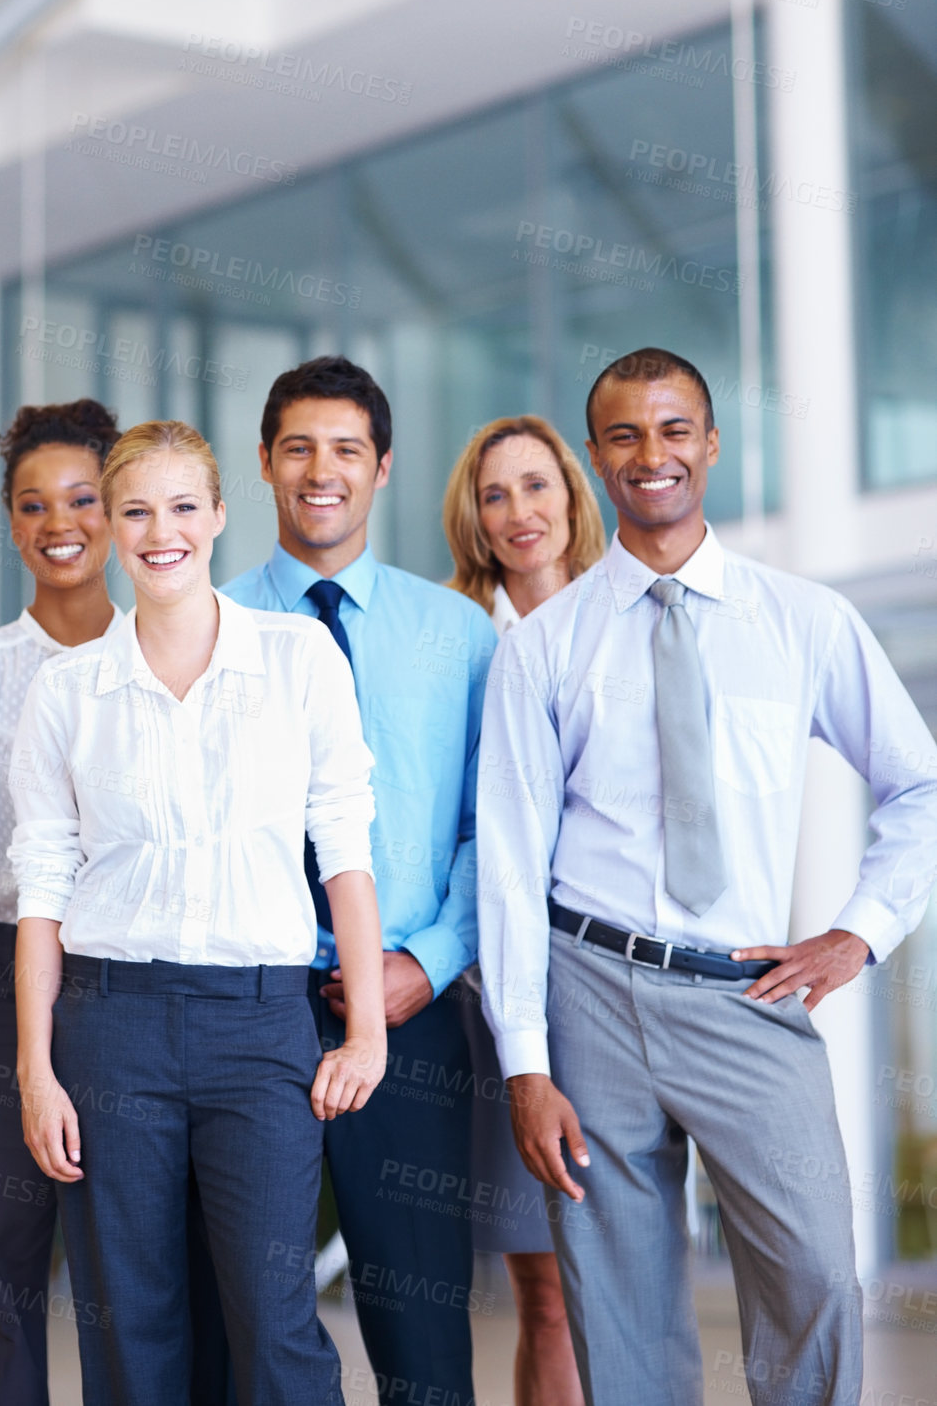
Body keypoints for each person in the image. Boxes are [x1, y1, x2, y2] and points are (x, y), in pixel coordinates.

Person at [477, 347, 937, 1406]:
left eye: (675, 428)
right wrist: (525, 1062)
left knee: (817, 1273)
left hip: (746, 990)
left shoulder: (805, 621)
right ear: (595, 457)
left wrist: (857, 930)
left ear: (712, 444)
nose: (653, 454)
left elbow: (917, 785)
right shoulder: (545, 647)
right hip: (587, 984)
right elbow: (507, 864)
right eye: (626, 434)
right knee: (619, 1307)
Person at [9, 419, 387, 1406]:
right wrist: (36, 1069)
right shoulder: (68, 691)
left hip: (257, 1028)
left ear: (220, 515)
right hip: (108, 1026)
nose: (160, 531)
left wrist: (368, 1034)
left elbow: (345, 850)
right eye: (134, 510)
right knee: (129, 1324)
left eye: (183, 506)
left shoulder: (298, 658)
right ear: (109, 528)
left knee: (275, 1322)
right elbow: (42, 891)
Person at [221, 356, 497, 1406]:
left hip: (412, 1017)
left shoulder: (459, 636)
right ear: (264, 465)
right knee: (249, 1321)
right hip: (246, 1014)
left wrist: (425, 963)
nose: (320, 470)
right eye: (297, 448)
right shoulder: (210, 624)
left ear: (383, 467)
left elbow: (492, 833)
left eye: (345, 449)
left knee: (422, 1335)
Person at [0, 399, 123, 1406]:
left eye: (85, 498)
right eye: (35, 503)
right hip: (2, 975)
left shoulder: (157, 654)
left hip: (129, 977)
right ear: (11, 521)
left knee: (126, 1262)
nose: (62, 522)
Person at [443, 415, 603, 1406]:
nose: (519, 511)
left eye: (537, 487)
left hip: (611, 975)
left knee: (616, 1269)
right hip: (494, 990)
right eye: (496, 495)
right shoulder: (460, 641)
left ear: (572, 500)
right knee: (541, 1282)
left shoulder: (623, 620)